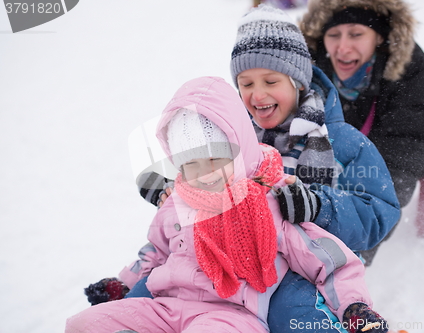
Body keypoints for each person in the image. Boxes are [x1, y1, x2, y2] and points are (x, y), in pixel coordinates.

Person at [67, 76, 389, 333]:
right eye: (191, 164)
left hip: (230, 315)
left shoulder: (267, 200)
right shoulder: (178, 202)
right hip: (167, 307)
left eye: (216, 159)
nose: (205, 174)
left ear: (240, 149)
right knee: (84, 325)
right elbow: (154, 252)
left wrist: (354, 308)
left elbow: (328, 259)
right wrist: (121, 284)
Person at [299, 0, 424, 237]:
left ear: (378, 37)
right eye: (334, 34)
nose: (343, 47)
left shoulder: (413, 76)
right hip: (397, 139)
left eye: (356, 34)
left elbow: (396, 170)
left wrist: (358, 254)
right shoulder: (316, 73)